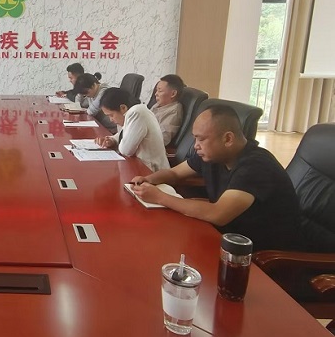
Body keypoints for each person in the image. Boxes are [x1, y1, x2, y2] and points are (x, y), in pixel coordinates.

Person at [130, 105, 303, 251]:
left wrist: (159, 197)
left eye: (201, 139)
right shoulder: (213, 154)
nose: (195, 146)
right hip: (225, 237)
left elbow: (218, 214)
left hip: (256, 253)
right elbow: (174, 174)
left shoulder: (256, 166)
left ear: (228, 138)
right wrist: (150, 179)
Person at [95, 87, 169, 172]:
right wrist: (112, 140)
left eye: (111, 115)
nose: (111, 120)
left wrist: (117, 142)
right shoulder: (136, 111)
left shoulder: (136, 113)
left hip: (152, 172)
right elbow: (125, 132)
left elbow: (126, 150)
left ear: (123, 108)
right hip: (140, 167)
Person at [151, 74, 185, 146]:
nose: (156, 94)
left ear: (173, 94)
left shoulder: (174, 112)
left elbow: (161, 140)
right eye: (156, 90)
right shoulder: (159, 105)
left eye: (160, 91)